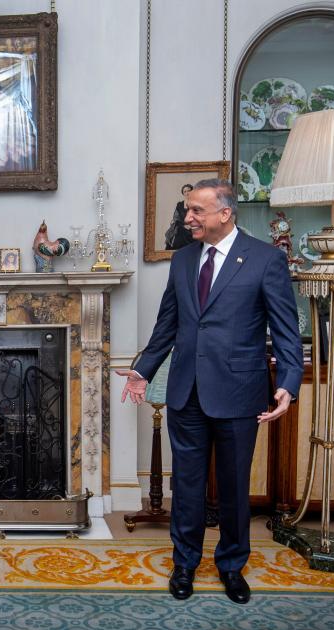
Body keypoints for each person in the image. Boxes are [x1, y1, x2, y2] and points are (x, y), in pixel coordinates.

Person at [117, 179, 302, 604]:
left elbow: (286, 332)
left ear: (225, 213)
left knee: (235, 487)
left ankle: (232, 566)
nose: (188, 218)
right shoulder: (182, 260)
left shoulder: (265, 259)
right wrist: (143, 370)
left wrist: (288, 384)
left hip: (240, 392)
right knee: (187, 484)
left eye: (197, 210)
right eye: (187, 210)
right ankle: (184, 565)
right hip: (187, 392)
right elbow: (169, 323)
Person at [164, 184, 195, 250]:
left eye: (189, 191)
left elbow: (197, 217)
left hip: (192, 227)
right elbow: (176, 219)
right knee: (177, 235)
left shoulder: (196, 204)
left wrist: (190, 226)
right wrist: (183, 225)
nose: (187, 193)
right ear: (183, 193)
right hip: (181, 226)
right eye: (185, 191)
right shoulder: (179, 205)